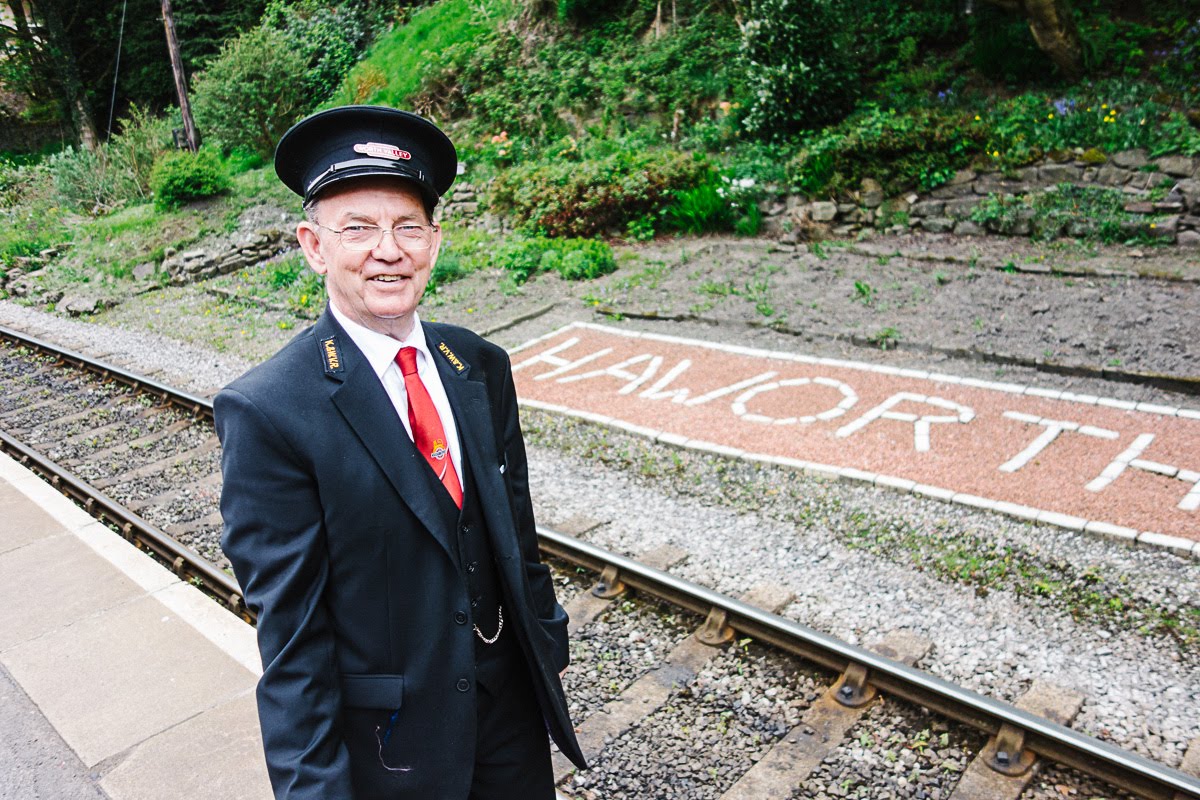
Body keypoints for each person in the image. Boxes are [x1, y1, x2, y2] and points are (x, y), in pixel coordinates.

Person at [215, 105, 586, 800]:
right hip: (393, 752)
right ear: (313, 246)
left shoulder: (477, 364)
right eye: (358, 228)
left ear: (434, 242)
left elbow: (514, 523)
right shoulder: (269, 410)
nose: (388, 250)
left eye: (407, 226)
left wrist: (548, 641)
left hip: (511, 718)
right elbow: (292, 645)